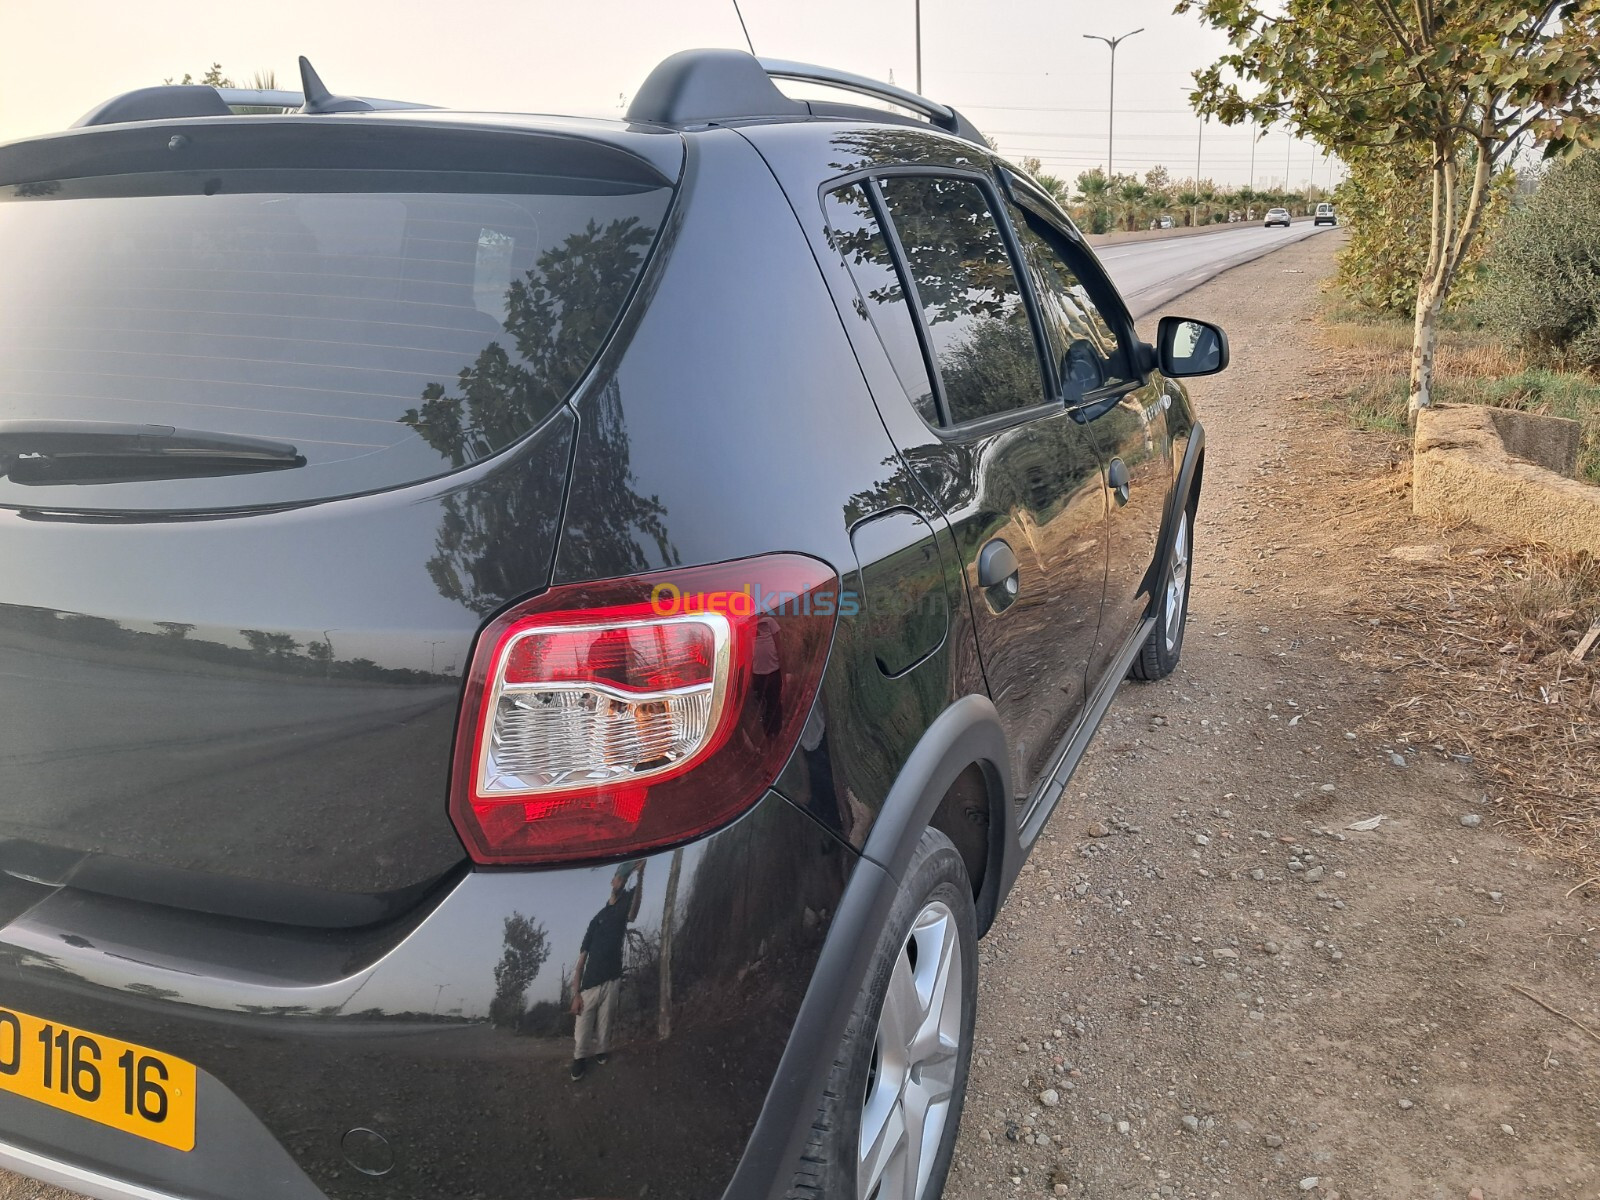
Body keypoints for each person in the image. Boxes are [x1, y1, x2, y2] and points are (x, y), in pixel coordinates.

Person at [570, 859, 644, 1080]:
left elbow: (633, 914)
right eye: (617, 877)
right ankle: (579, 1060)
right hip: (589, 986)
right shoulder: (596, 919)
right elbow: (581, 961)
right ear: (612, 881)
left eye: (623, 878)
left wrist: (640, 876)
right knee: (582, 1031)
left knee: (605, 1024)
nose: (620, 880)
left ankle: (601, 1052)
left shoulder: (624, 905)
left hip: (612, 980)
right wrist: (575, 994)